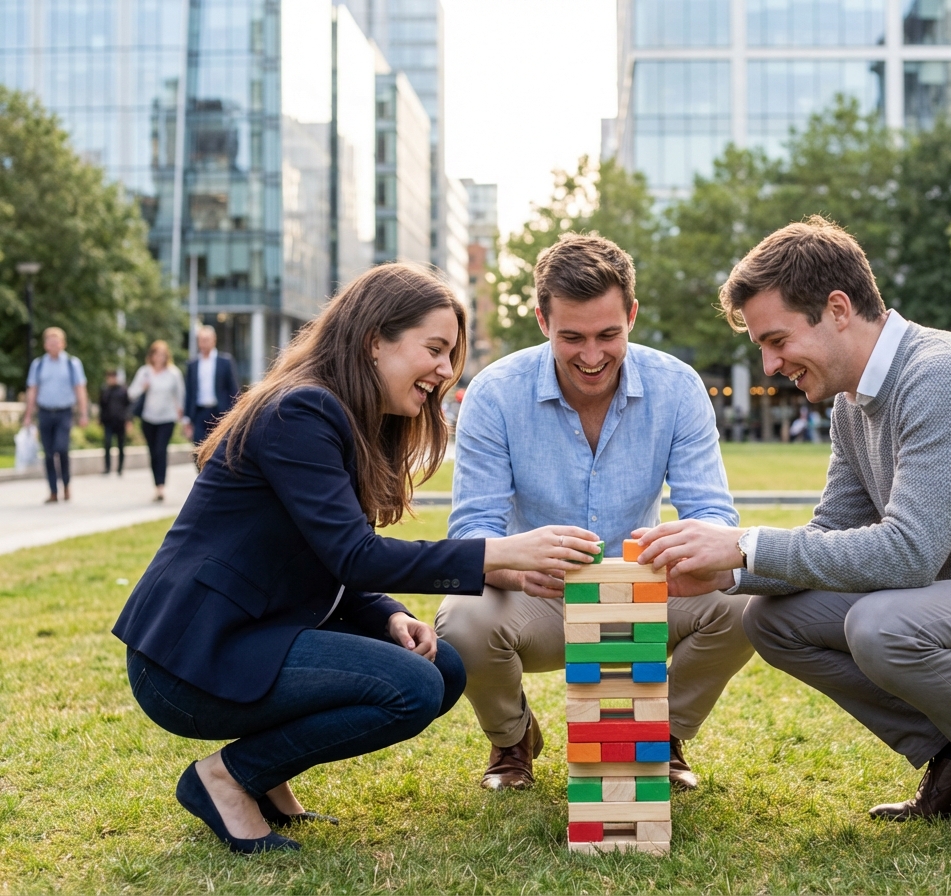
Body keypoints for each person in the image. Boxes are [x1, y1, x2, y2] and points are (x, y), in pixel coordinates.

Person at [634, 217, 951, 858]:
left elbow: (908, 552)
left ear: (837, 310)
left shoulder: (943, 376)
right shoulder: (852, 404)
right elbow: (831, 538)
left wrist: (742, 544)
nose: (769, 363)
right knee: (774, 620)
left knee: (882, 623)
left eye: (777, 339)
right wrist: (726, 575)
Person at [112, 263, 601, 855]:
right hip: (192, 661)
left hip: (252, 636)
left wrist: (390, 615)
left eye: (452, 354)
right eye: (436, 349)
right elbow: (354, 554)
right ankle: (227, 778)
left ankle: (265, 782)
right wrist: (498, 553)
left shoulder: (343, 417)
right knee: (412, 688)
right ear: (375, 340)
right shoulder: (300, 412)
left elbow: (328, 556)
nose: (446, 371)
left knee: (442, 668)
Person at [437, 233, 755, 792]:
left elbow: (711, 513)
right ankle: (513, 740)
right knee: (461, 622)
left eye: (609, 334)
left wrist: (688, 551)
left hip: (646, 592)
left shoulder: (677, 387)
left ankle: (661, 735)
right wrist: (517, 568)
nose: (591, 356)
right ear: (542, 321)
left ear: (631, 315)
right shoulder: (493, 394)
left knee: (749, 596)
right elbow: (472, 532)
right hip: (539, 598)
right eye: (572, 337)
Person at [22, 326, 88, 503]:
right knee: (49, 453)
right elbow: (33, 390)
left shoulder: (72, 364)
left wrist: (83, 413)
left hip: (64, 412)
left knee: (62, 448)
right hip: (45, 411)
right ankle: (53, 491)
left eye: (56, 341)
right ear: (45, 345)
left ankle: (66, 484)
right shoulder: (39, 365)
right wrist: (28, 414)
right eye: (50, 342)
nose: (53, 345)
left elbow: (80, 389)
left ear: (63, 343)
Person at [128, 340, 185, 502]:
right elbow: (131, 393)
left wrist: (183, 418)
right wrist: (142, 388)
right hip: (148, 418)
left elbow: (180, 396)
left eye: (162, 354)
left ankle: (161, 486)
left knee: (161, 450)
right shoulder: (144, 372)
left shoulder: (173, 373)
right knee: (153, 452)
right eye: (156, 354)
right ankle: (156, 484)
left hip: (167, 418)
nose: (159, 357)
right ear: (151, 356)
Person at [185, 325, 240, 445]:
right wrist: (187, 419)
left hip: (220, 412)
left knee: (219, 447)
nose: (203, 343)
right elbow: (189, 391)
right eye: (201, 340)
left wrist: (235, 414)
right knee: (198, 447)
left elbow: (233, 389)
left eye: (206, 339)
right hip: (199, 412)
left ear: (214, 340)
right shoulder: (192, 364)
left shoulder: (225, 362)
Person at [99, 369, 131, 475]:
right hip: (108, 422)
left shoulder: (123, 390)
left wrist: (128, 420)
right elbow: (101, 406)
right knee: (107, 444)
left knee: (121, 445)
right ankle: (107, 468)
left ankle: (120, 468)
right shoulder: (105, 390)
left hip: (120, 421)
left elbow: (128, 406)